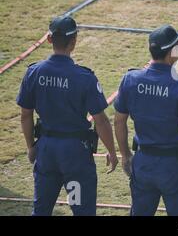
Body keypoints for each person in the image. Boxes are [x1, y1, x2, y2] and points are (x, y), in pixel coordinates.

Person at [16, 16, 118, 216]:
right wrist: (112, 152)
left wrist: (31, 146)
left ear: (49, 39)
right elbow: (101, 120)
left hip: (46, 151)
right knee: (80, 209)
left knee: (42, 210)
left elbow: (25, 115)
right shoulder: (84, 77)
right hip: (74, 156)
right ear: (74, 41)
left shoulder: (34, 72)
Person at [114, 24, 178, 216]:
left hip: (143, 162)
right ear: (172, 52)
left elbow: (118, 121)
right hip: (174, 165)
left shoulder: (130, 79)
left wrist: (125, 155)